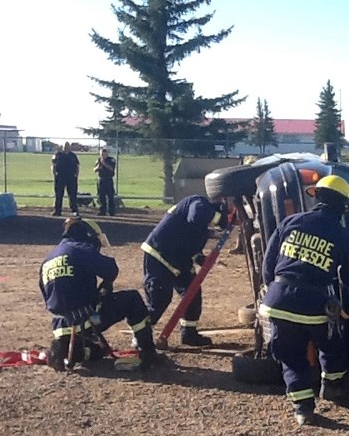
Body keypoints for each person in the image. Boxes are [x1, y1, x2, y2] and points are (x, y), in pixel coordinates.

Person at [259, 175, 349, 426]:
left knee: (291, 358)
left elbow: (268, 267)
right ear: (343, 207)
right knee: (332, 346)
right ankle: (333, 386)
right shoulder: (342, 235)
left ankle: (303, 409)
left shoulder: (290, 222)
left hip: (278, 303)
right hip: (314, 305)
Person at [39, 217, 161, 372]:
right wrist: (105, 285)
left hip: (60, 325)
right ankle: (147, 350)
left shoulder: (49, 259)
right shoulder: (80, 248)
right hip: (86, 318)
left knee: (97, 351)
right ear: (89, 235)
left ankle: (67, 349)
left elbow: (46, 295)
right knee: (132, 299)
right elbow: (111, 269)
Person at [141, 194, 229, 346]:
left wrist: (200, 258)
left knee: (193, 293)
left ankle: (189, 334)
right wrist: (220, 219)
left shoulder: (202, 227)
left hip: (179, 260)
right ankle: (140, 337)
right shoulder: (199, 203)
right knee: (159, 299)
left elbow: (189, 242)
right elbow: (196, 217)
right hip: (160, 256)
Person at [51, 142, 80, 216]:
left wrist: (76, 175)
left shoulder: (73, 156)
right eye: (65, 146)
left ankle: (74, 211)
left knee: (72, 195)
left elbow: (77, 166)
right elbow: (53, 165)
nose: (66, 147)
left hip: (71, 177)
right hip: (60, 177)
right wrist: (54, 174)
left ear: (70, 147)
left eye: (67, 146)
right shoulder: (58, 155)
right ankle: (57, 211)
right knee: (58, 195)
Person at [94, 148, 117, 216]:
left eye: (104, 153)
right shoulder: (98, 160)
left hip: (109, 179)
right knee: (101, 196)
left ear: (107, 153)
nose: (103, 155)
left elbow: (111, 168)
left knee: (110, 196)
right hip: (101, 179)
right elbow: (94, 169)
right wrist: (97, 167)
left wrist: (104, 163)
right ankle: (102, 211)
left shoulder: (111, 159)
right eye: (101, 153)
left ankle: (111, 211)